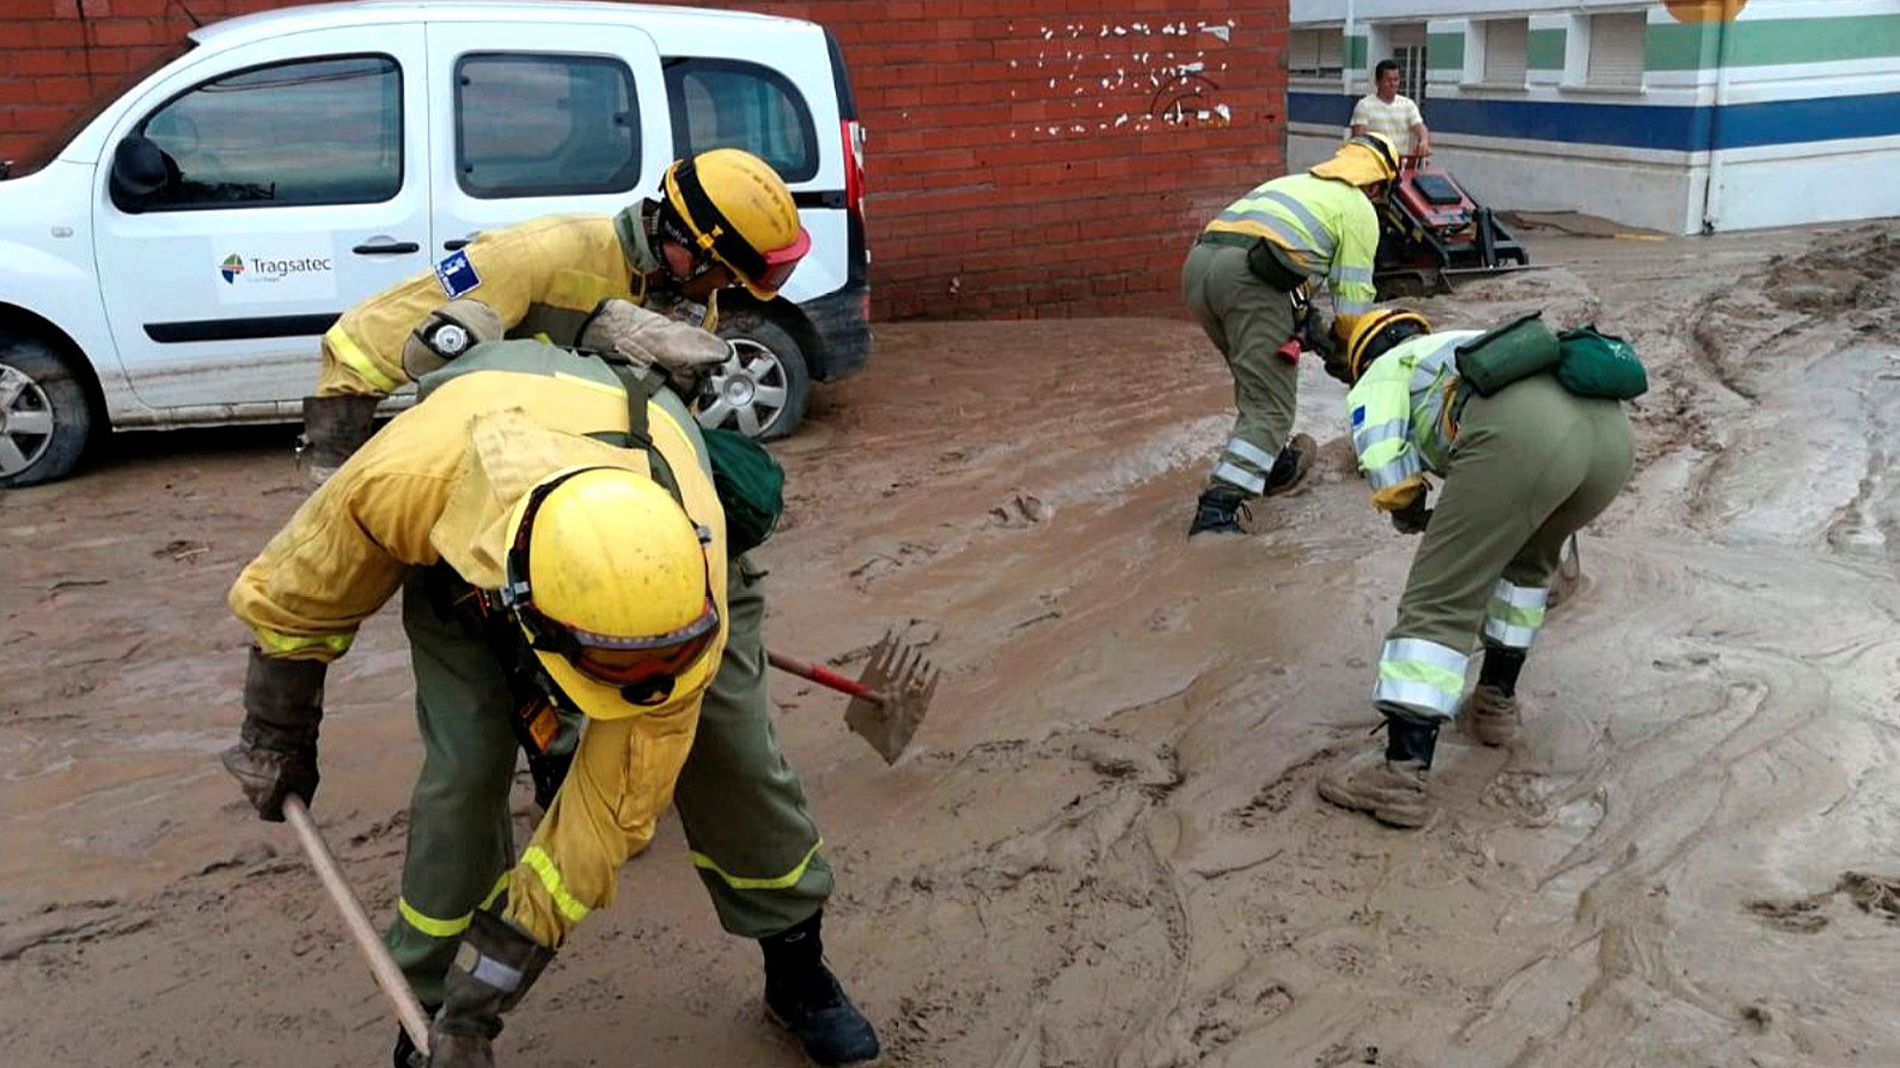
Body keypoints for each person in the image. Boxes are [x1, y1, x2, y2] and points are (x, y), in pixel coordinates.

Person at [222, 303, 879, 1067]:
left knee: (732, 755)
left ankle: (797, 969)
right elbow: (298, 598)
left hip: (646, 516)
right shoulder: (403, 479)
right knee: (464, 773)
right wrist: (279, 733)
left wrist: (486, 1003)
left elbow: (599, 826)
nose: (639, 691)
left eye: (649, 672)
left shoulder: (688, 564)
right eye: (618, 671)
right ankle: (423, 1009)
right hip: (459, 548)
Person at [298, 147, 811, 479]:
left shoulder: (691, 302)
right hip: (494, 461)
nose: (724, 289)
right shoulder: (542, 253)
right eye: (725, 274)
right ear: (688, 247)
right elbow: (364, 339)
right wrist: (336, 457)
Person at [1313, 309, 1636, 828]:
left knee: (1440, 597)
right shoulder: (1460, 346)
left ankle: (1400, 777)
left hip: (1525, 436)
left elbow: (1387, 470)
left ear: (1361, 359)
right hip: (1611, 444)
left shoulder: (1382, 372)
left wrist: (1410, 514)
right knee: (1526, 572)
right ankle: (1493, 709)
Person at [1181, 132, 1400, 536]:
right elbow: (1352, 308)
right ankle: (1217, 511)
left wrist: (1307, 324)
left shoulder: (1296, 183)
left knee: (1257, 382)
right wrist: (1348, 356)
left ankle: (1272, 464)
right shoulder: (1358, 208)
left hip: (1198, 269)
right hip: (1248, 281)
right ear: (1376, 185)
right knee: (1271, 407)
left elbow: (1287, 265)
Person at [1350, 59, 1431, 162]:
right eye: (1388, 80)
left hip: (1401, 164)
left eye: (1396, 80)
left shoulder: (1408, 105)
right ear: (1377, 82)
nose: (1393, 84)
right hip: (1375, 165)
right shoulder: (1364, 106)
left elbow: (1420, 127)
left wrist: (1424, 141)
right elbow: (1359, 140)